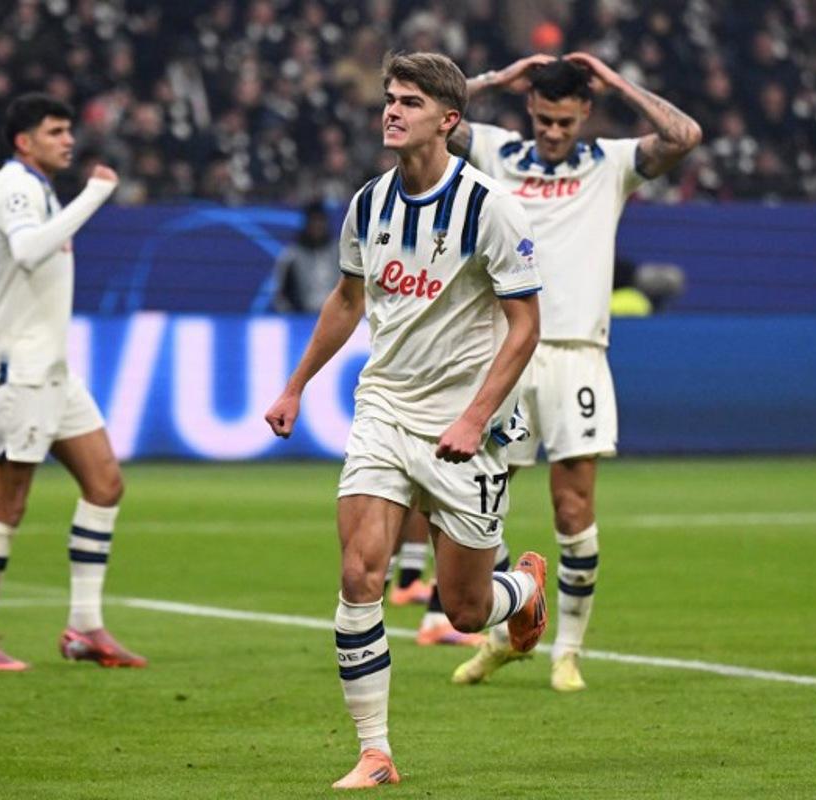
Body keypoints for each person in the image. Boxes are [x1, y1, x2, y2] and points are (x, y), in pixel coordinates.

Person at [264, 52, 547, 789]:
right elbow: (347, 302)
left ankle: (525, 590)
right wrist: (295, 387)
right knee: (360, 574)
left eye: (409, 101)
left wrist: (475, 417)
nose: (391, 111)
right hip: (384, 410)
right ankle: (375, 751)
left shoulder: (490, 207)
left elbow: (525, 328)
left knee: (464, 608)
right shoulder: (368, 204)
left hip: (466, 431)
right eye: (388, 98)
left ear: (448, 122)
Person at [447, 54, 701, 691]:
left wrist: (617, 81)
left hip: (577, 356)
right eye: (542, 119)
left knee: (572, 506)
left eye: (563, 120)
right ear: (528, 111)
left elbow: (685, 137)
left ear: (585, 111)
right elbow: (438, 122)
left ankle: (568, 650)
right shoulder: (502, 152)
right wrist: (496, 82)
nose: (553, 133)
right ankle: (507, 635)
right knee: (485, 504)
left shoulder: (608, 164)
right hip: (506, 352)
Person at [0, 93, 146, 671]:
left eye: (68, 130)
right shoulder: (14, 187)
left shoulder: (37, 190)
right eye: (55, 131)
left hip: (52, 374)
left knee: (105, 483)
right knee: (6, 506)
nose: (68, 140)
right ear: (24, 141)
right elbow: (29, 251)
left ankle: (85, 627)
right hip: (16, 374)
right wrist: (94, 194)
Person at [270, 200, 340, 313]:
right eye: (313, 221)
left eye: (321, 221)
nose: (317, 226)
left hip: (337, 316)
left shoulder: (340, 252)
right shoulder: (291, 255)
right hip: (303, 318)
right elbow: (280, 296)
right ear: (306, 224)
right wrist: (293, 317)